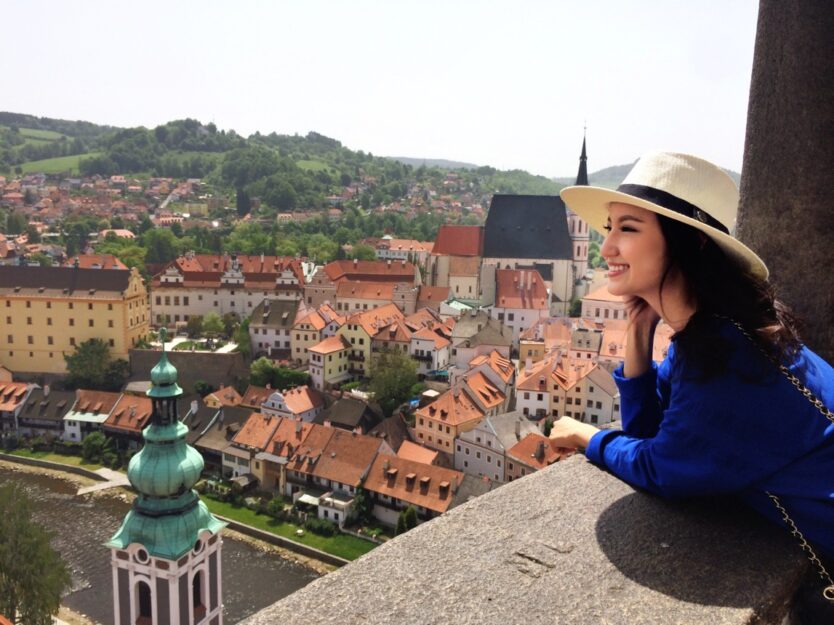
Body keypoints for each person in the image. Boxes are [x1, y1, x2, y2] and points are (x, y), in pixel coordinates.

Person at [550, 151, 834, 610]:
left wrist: (587, 436)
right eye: (609, 228)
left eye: (628, 228)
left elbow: (660, 468)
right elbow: (652, 433)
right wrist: (639, 331)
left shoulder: (728, 359)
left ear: (689, 244)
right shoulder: (717, 333)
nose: (607, 248)